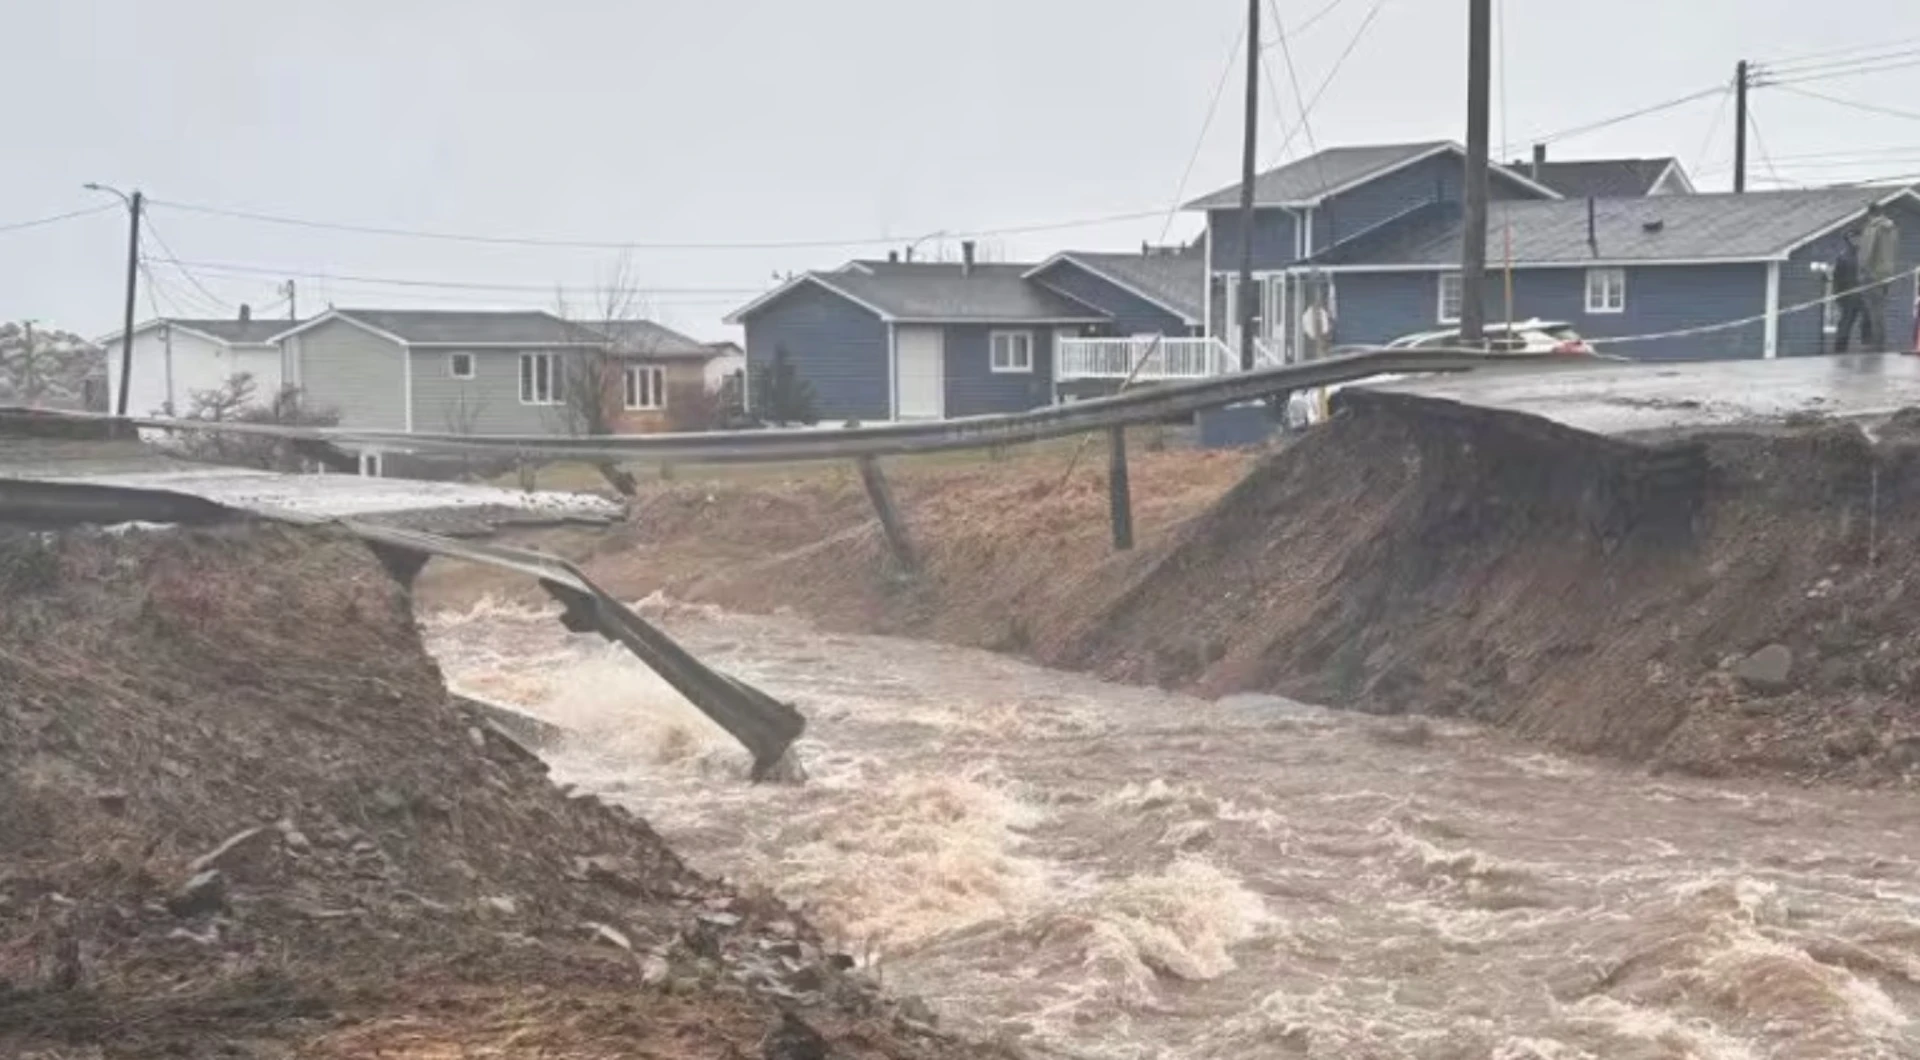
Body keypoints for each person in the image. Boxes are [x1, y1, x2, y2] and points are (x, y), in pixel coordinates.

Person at [1857, 201, 1900, 352]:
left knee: (1873, 310)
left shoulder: (1873, 228)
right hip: (1887, 274)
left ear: (1870, 214)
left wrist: (1862, 270)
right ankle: (1880, 342)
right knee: (1880, 309)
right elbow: (1893, 251)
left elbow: (1866, 252)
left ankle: (1876, 344)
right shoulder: (1892, 228)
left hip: (1872, 274)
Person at [1832, 231, 1868, 353]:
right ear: (1848, 240)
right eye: (1853, 238)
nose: (1856, 241)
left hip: (1865, 295)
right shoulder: (1843, 257)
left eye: (1858, 238)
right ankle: (1840, 350)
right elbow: (1837, 279)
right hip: (1848, 297)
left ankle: (1867, 346)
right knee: (1845, 323)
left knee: (1868, 319)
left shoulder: (1866, 255)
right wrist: (1838, 296)